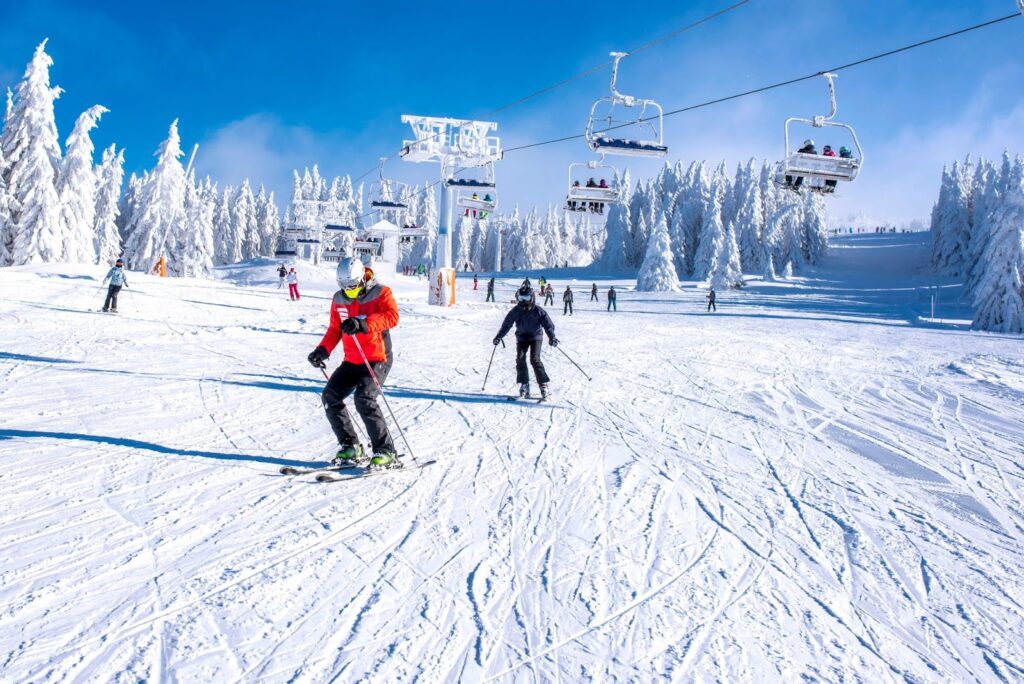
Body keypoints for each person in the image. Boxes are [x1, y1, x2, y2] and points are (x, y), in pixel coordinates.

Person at [307, 258, 401, 468]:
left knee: (364, 399)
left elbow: (392, 316)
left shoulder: (381, 293)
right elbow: (335, 329)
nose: (349, 291)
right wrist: (322, 350)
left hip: (377, 358)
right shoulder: (339, 299)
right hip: (352, 359)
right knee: (330, 396)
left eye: (353, 286)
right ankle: (351, 446)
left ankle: (386, 451)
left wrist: (363, 323)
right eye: (345, 287)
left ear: (362, 279)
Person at [493, 285, 558, 400]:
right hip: (522, 337)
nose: (523, 301)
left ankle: (543, 386)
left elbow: (548, 325)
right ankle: (524, 385)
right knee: (520, 359)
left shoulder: (538, 311)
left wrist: (552, 337)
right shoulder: (516, 311)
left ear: (532, 298)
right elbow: (506, 325)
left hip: (535, 337)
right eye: (521, 298)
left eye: (526, 298)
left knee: (535, 359)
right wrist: (499, 336)